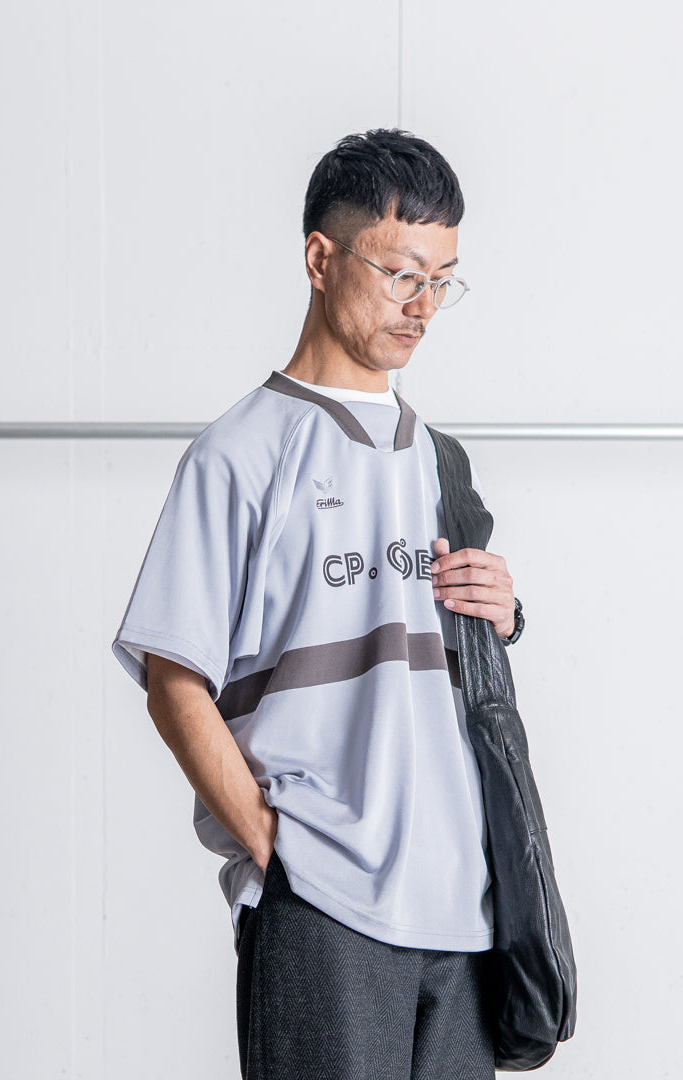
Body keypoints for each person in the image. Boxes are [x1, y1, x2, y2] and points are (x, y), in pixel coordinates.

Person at [111, 128, 524, 1080]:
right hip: (324, 907)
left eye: (443, 281)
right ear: (320, 257)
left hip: (464, 910)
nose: (423, 306)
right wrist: (278, 851)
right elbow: (173, 681)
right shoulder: (240, 453)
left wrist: (502, 613)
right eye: (401, 273)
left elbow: (448, 671)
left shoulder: (441, 461)